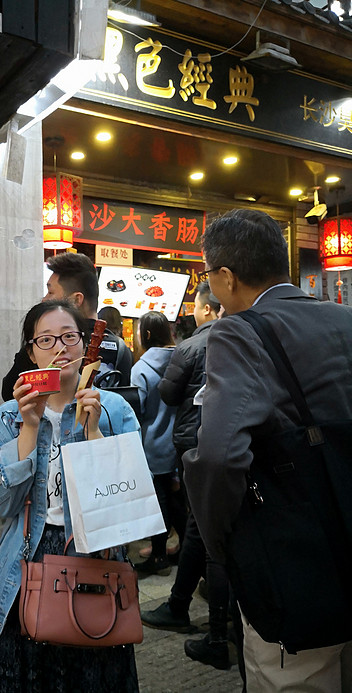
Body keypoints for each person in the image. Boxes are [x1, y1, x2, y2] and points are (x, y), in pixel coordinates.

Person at [183, 208, 352, 691]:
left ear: (226, 277)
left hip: (294, 564)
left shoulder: (238, 331)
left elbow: (217, 455)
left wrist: (218, 543)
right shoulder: (345, 317)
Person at [0, 299, 140, 693]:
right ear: (31, 351)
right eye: (46, 339)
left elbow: (128, 509)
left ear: (85, 345)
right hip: (27, 565)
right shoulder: (8, 417)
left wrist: (95, 435)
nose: (60, 348)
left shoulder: (113, 409)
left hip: (96, 561)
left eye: (69, 336)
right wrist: (29, 428)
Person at [140, 284, 232, 672]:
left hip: (196, 445)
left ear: (209, 309)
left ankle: (214, 632)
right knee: (200, 527)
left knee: (207, 533)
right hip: (231, 442)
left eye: (196, 306)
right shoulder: (243, 337)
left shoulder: (194, 346)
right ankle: (183, 605)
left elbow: (169, 393)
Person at [1, 253, 132, 400]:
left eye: (51, 292)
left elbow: (8, 392)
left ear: (76, 300)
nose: (44, 299)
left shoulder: (44, 344)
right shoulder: (121, 349)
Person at [130, 311, 179, 577]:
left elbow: (137, 411)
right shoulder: (182, 361)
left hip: (150, 446)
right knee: (173, 501)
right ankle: (173, 549)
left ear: (146, 335)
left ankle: (158, 555)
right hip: (177, 443)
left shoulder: (141, 369)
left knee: (157, 503)